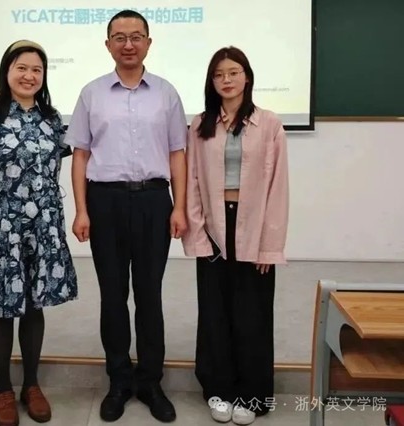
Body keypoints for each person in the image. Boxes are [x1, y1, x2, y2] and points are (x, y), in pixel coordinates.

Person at [64, 9, 187, 423]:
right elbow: (80, 155)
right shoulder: (91, 93)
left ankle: (150, 381)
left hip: (154, 200)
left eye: (136, 36)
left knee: (149, 295)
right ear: (108, 44)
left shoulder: (166, 93)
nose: (128, 44)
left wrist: (179, 206)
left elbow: (177, 153)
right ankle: (118, 381)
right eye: (120, 37)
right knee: (113, 295)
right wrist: (82, 210)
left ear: (148, 42)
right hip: (105, 202)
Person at [0, 39, 78, 426]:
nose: (29, 76)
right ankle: (2, 389)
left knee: (34, 305)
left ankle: (31, 384)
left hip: (44, 227)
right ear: (7, 72)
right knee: (2, 307)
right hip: (3, 230)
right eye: (22, 68)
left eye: (37, 70)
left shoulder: (52, 119)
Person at [182, 46, 289, 426]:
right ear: (211, 82)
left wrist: (269, 246)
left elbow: (278, 188)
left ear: (247, 76)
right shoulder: (201, 125)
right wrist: (198, 234)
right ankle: (218, 388)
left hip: (253, 226)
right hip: (214, 226)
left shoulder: (269, 123)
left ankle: (253, 394)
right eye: (218, 74)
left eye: (233, 72)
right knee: (214, 312)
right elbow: (192, 181)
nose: (226, 80)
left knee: (252, 313)